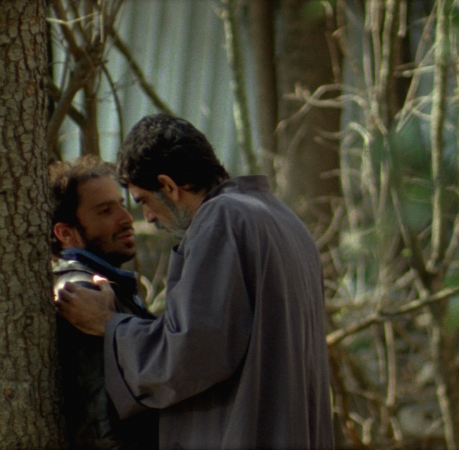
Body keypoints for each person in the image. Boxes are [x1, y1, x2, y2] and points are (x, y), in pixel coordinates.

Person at [56, 115, 335, 449]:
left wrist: (108, 324)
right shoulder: (279, 217)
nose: (146, 217)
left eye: (143, 201)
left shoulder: (221, 220)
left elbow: (189, 353)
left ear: (169, 186)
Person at [50, 156, 158, 449]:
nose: (126, 218)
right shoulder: (80, 292)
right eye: (105, 211)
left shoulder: (109, 285)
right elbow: (100, 412)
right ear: (66, 233)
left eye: (122, 204)